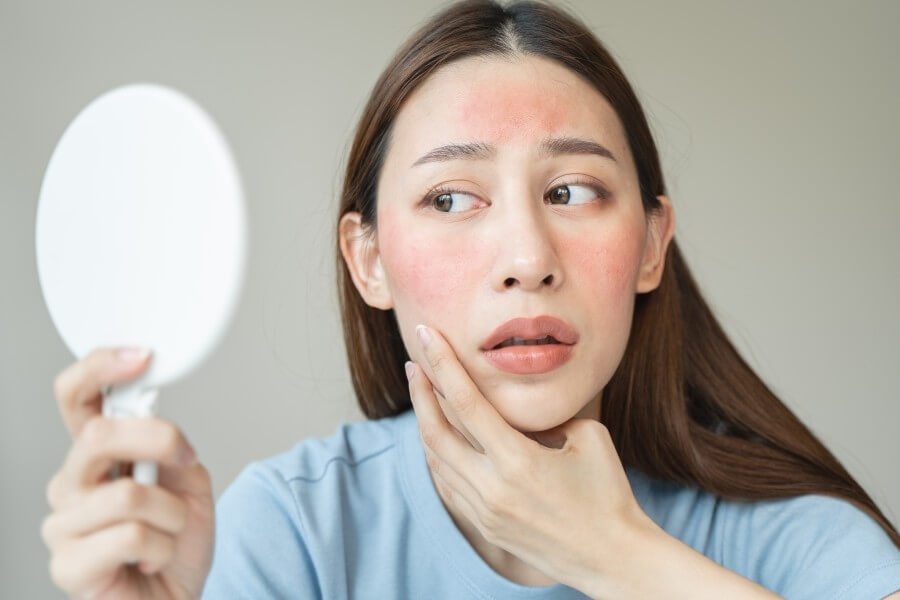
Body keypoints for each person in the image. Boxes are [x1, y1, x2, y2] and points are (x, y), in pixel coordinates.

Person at [41, 0, 900, 598]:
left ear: (650, 242)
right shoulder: (292, 532)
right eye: (451, 198)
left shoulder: (787, 539)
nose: (527, 258)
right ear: (367, 261)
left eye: (572, 192)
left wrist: (617, 557)